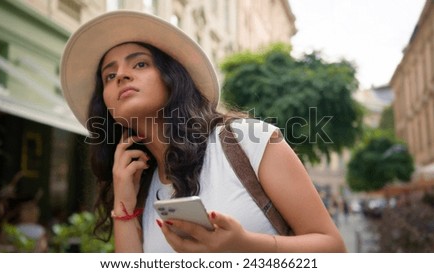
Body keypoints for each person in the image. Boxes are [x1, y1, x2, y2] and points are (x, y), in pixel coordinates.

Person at [60, 10, 345, 253]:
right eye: (110, 75)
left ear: (173, 79)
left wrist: (246, 244)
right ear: (107, 103)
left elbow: (333, 247)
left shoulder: (247, 141)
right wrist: (123, 203)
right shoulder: (137, 184)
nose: (121, 75)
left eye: (140, 64)